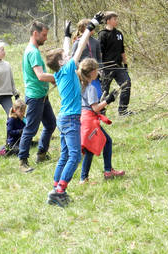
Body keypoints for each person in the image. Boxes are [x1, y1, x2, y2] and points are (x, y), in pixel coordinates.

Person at [44, 12, 103, 207]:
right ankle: (60, 191)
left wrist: (67, 36)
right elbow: (75, 53)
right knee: (75, 156)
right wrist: (90, 27)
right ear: (62, 62)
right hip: (70, 119)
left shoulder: (61, 72)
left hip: (64, 118)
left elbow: (67, 52)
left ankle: (55, 187)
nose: (67, 55)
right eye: (64, 56)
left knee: (64, 155)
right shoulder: (69, 68)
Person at [77, 58, 125, 183]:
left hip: (83, 118)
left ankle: (88, 176)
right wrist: (109, 100)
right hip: (89, 121)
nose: (98, 71)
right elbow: (95, 108)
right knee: (99, 144)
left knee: (93, 146)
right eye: (97, 69)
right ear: (92, 72)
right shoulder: (90, 88)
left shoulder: (80, 86)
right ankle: (102, 173)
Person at [17, 21, 56, 173]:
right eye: (44, 35)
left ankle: (41, 153)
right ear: (35, 33)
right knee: (30, 130)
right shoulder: (32, 52)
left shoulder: (33, 50)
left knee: (51, 124)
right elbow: (40, 76)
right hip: (35, 97)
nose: (45, 38)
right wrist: (58, 77)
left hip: (42, 96)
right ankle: (22, 161)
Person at [98, 11, 133, 116]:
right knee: (105, 90)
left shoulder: (119, 34)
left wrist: (125, 64)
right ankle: (101, 113)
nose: (116, 21)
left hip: (119, 66)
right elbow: (100, 53)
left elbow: (122, 50)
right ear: (108, 20)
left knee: (126, 84)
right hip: (106, 67)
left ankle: (123, 110)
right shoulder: (102, 34)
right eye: (114, 19)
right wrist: (100, 67)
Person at [70, 19, 103, 99]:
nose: (94, 29)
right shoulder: (77, 42)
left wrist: (100, 69)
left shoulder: (96, 42)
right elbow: (74, 59)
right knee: (85, 95)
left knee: (98, 93)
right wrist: (82, 70)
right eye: (92, 27)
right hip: (83, 75)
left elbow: (99, 58)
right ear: (85, 28)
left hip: (95, 74)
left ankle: (99, 109)